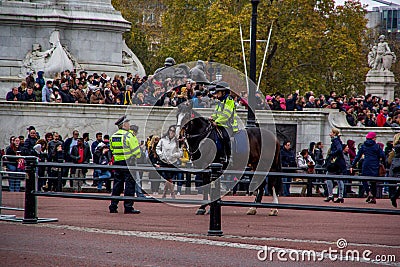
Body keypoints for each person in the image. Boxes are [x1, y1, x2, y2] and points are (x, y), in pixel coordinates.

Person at [109, 115, 141, 214]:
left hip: (118, 163)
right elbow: (137, 152)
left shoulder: (113, 136)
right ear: (124, 125)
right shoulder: (129, 136)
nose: (129, 125)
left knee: (117, 185)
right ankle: (128, 207)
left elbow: (112, 149)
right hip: (129, 163)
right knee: (129, 185)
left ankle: (113, 206)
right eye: (128, 123)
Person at [351, 132, 385, 204]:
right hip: (374, 164)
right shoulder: (377, 146)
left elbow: (358, 156)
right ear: (373, 138)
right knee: (373, 182)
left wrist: (352, 165)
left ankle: (368, 192)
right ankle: (374, 197)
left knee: (364, 179)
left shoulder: (363, 146)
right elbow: (382, 155)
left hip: (366, 164)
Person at [210, 81, 238, 163]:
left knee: (225, 137)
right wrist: (211, 118)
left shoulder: (229, 100)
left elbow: (226, 114)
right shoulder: (220, 102)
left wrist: (217, 122)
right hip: (220, 124)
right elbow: (216, 113)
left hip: (229, 126)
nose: (216, 94)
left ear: (223, 92)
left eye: (218, 92)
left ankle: (228, 157)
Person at [156, 125, 182, 199]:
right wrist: (161, 155)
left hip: (173, 162)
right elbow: (158, 148)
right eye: (170, 130)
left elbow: (181, 152)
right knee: (168, 178)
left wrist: (175, 155)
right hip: (164, 161)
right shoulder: (163, 140)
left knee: (169, 178)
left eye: (173, 131)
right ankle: (172, 193)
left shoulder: (177, 141)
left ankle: (165, 193)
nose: (171, 132)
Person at [324, 128, 346, 203]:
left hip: (335, 163)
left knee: (329, 177)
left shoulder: (336, 141)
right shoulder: (337, 140)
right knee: (339, 179)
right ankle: (340, 196)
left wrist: (332, 153)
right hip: (339, 163)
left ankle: (331, 195)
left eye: (331, 132)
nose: (330, 133)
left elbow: (339, 149)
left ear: (334, 134)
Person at [129, 124, 145, 197]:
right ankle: (139, 193)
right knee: (137, 178)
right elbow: (135, 150)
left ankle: (136, 193)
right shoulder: (132, 137)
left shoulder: (127, 136)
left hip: (129, 160)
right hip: (132, 160)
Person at [390, 133, 400, 208]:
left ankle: (394, 196)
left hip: (395, 166)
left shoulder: (394, 148)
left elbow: (389, 160)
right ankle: (394, 195)